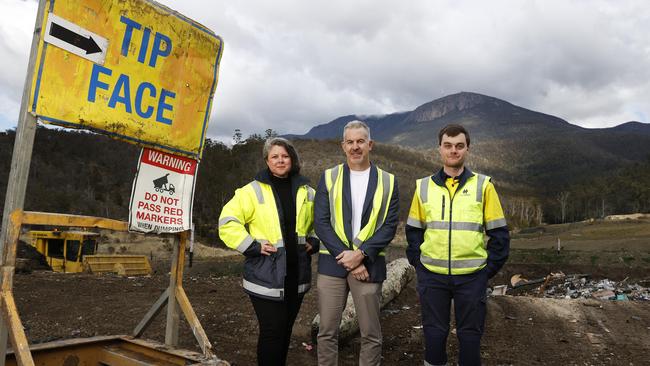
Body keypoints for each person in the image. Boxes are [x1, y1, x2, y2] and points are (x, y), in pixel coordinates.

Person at [405, 124, 510, 366]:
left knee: (470, 336)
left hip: (472, 278)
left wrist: (485, 272)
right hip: (432, 276)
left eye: (459, 146)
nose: (454, 151)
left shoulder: (484, 186)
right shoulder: (423, 186)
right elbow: (413, 232)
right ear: (439, 149)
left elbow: (500, 236)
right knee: (434, 333)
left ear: (467, 149)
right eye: (448, 146)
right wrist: (420, 266)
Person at [218, 137, 319, 366]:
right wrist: (252, 246)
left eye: (285, 156)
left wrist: (315, 240)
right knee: (272, 332)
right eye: (275, 156)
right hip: (265, 275)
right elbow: (227, 222)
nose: (280, 160)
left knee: (285, 332)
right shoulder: (251, 191)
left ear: (292, 159)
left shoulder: (308, 192)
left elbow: (321, 224)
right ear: (267, 160)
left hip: (296, 275)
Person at [314, 120, 399, 366]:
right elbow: (321, 223)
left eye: (360, 141)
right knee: (327, 331)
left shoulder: (389, 181)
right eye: (350, 142)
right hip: (333, 265)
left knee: (371, 334)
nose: (355, 147)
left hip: (369, 265)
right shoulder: (329, 177)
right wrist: (350, 259)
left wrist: (361, 255)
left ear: (370, 144)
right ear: (343, 146)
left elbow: (388, 227)